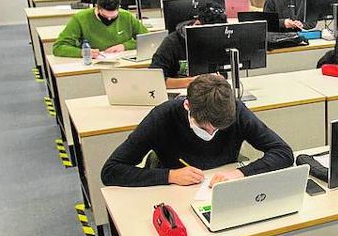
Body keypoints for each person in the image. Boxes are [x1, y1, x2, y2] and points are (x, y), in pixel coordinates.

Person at [100, 73, 293, 188]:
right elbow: (111, 171)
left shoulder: (236, 110)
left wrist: (241, 173)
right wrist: (170, 176)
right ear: (187, 105)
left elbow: (283, 152)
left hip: (221, 185)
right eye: (204, 127)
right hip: (174, 191)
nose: (210, 133)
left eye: (217, 128)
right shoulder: (162, 117)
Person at [149, 2, 229, 89]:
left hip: (211, 93)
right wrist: (193, 81)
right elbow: (155, 79)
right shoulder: (172, 42)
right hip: (179, 94)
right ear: (197, 24)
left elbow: (223, 72)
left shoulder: (217, 39)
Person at [52, 0, 150, 58]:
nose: (109, 19)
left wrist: (124, 46)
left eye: (113, 17)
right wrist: (83, 53)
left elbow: (147, 39)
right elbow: (58, 47)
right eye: (105, 16)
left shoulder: (126, 16)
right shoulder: (80, 19)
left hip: (123, 60)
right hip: (94, 64)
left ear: (119, 8)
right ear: (97, 7)